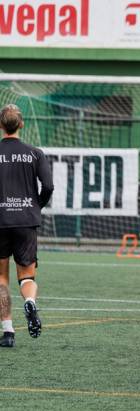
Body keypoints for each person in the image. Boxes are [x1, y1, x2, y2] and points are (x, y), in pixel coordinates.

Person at [0, 104, 53, 348]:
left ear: (1, 125)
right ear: (21, 124)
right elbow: (48, 186)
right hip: (26, 221)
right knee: (27, 276)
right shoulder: (35, 153)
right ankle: (30, 302)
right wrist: (35, 206)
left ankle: (8, 332)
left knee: (1, 277)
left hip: (1, 220)